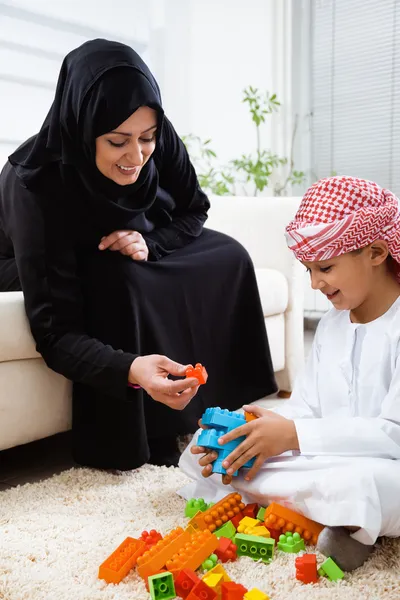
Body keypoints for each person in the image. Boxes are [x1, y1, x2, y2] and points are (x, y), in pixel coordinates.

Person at [0, 39, 276, 471]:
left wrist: (152, 241)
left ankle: (213, 403)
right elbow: (55, 335)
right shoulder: (35, 184)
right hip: (40, 258)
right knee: (117, 275)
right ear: (84, 127)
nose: (136, 156)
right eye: (116, 142)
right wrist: (131, 369)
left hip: (133, 238)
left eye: (146, 138)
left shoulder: (155, 136)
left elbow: (193, 208)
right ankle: (152, 428)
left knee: (230, 254)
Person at [179, 175, 400, 572]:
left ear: (377, 251)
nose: (315, 284)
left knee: (361, 484)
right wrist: (254, 432)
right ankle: (335, 520)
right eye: (308, 270)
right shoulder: (334, 325)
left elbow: (394, 434)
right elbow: (305, 409)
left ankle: (342, 519)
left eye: (326, 268)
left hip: (386, 466)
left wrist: (293, 435)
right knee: (207, 448)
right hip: (327, 459)